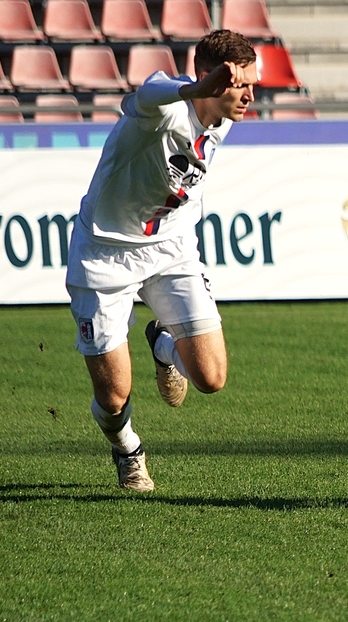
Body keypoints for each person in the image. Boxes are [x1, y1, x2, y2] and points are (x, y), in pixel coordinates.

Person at [66, 30, 258, 491]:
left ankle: (162, 344)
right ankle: (128, 449)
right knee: (114, 396)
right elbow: (147, 91)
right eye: (240, 85)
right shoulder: (165, 109)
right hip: (106, 253)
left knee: (211, 378)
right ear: (208, 79)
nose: (250, 96)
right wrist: (197, 88)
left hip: (171, 248)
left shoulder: (224, 118)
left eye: (253, 84)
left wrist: (213, 91)